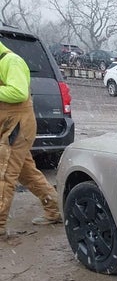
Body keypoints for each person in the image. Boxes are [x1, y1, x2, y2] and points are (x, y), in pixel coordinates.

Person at [0, 38, 63, 243]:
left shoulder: (12, 61)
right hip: (8, 124)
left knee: (5, 173)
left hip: (17, 124)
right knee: (26, 173)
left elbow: (17, 92)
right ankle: (54, 208)